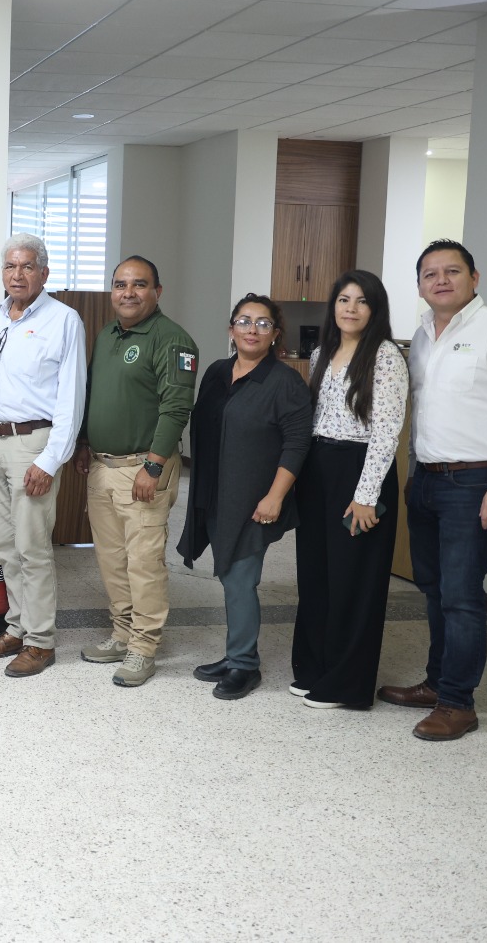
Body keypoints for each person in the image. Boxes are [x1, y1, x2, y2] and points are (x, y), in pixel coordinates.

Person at [378, 240, 487, 741]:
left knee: (462, 596)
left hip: (475, 483)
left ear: (475, 277)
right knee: (434, 590)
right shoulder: (421, 336)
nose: (441, 280)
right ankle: (436, 683)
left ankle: (457, 703)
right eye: (430, 274)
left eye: (452, 271)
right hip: (427, 480)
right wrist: (414, 474)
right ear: (420, 286)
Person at [177, 294, 313, 701]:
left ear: (275, 334)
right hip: (214, 492)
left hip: (254, 499)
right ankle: (235, 652)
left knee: (239, 577)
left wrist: (275, 497)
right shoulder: (217, 372)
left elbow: (297, 444)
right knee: (229, 574)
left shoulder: (285, 382)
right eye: (244, 321)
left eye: (263, 323)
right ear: (231, 329)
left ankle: (244, 664)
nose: (252, 329)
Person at [0, 234, 87, 678]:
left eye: (27, 266)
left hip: (33, 445)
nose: (17, 274)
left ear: (44, 273)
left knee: (33, 548)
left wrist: (50, 461)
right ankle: (16, 629)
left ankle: (40, 642)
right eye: (10, 266)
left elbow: (71, 398)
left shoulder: (64, 320)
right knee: (4, 545)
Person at [75, 255, 197, 688]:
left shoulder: (172, 340)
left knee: (144, 563)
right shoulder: (107, 335)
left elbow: (177, 407)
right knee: (111, 560)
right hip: (103, 466)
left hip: (143, 469)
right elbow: (94, 394)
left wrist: (154, 465)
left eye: (139, 284)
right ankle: (122, 634)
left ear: (157, 291)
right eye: (120, 284)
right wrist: (85, 443)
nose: (128, 293)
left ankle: (144, 648)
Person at [291, 270, 408, 710]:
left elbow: (387, 431)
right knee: (316, 573)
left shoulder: (386, 356)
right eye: (344, 299)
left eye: (362, 301)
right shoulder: (322, 351)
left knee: (353, 580)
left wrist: (365, 496)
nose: (351, 308)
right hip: (319, 468)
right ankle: (314, 668)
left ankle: (345, 685)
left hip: (360, 472)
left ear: (375, 309)